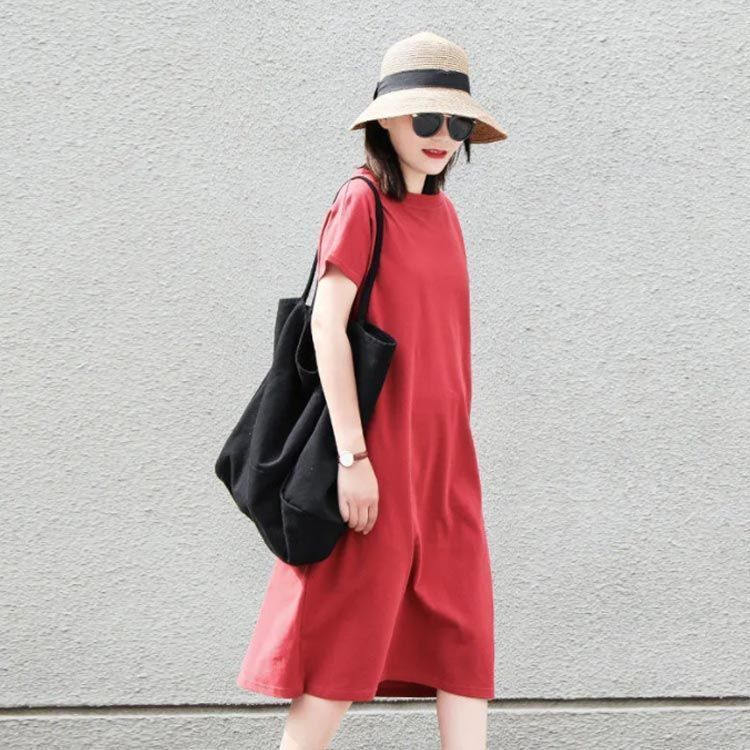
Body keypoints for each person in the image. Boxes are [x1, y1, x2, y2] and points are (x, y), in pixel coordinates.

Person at [236, 31, 508, 750]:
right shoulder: (362, 203)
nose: (442, 136)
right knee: (340, 654)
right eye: (426, 118)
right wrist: (354, 458)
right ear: (386, 122)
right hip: (377, 459)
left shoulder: (445, 216)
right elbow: (327, 327)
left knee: (464, 643)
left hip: (445, 466)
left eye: (456, 122)